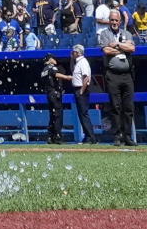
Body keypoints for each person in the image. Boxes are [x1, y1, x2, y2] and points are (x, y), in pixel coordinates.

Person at [98, 8, 136, 146]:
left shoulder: (127, 33)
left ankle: (127, 136)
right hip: (112, 75)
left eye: (116, 20)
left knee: (128, 107)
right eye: (112, 20)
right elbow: (106, 50)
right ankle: (117, 135)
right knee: (115, 106)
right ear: (109, 21)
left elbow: (132, 49)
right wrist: (122, 48)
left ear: (120, 21)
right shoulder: (104, 34)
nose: (114, 22)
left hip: (127, 75)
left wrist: (118, 44)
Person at [57, 44, 96, 143]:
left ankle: (91, 137)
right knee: (82, 114)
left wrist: (82, 90)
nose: (72, 53)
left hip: (81, 89)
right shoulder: (77, 62)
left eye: (74, 52)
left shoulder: (83, 62)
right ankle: (88, 136)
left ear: (78, 53)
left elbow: (86, 78)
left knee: (84, 114)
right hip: (78, 89)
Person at [40, 54, 65, 143]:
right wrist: (68, 77)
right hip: (55, 94)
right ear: (50, 59)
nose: (55, 60)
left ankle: (50, 136)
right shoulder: (51, 67)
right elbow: (56, 74)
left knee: (52, 115)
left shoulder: (44, 69)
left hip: (49, 94)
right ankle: (58, 136)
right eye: (54, 59)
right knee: (58, 115)